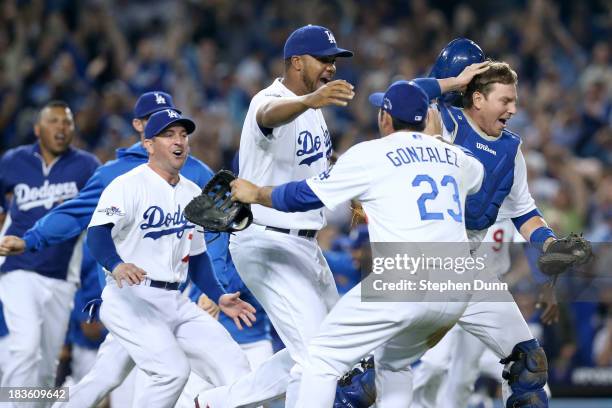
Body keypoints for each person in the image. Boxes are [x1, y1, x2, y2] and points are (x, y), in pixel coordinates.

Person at [230, 80, 486, 407]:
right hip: (457, 287)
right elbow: (478, 177)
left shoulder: (371, 153)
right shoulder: (454, 156)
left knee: (321, 358)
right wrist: (437, 141)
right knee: (394, 363)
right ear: (425, 121)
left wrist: (258, 194)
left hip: (406, 279)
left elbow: (305, 195)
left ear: (385, 118)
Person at [0, 91, 215, 408]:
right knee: (164, 376)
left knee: (105, 378)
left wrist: (216, 288)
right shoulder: (113, 174)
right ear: (139, 126)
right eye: (157, 121)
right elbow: (74, 215)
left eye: (175, 123)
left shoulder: (197, 173)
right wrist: (31, 239)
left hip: (179, 300)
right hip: (129, 298)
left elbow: (217, 236)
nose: (170, 129)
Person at [197, 24, 355, 408]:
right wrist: (309, 101)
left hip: (304, 244)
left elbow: (316, 162)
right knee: (317, 359)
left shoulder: (313, 111)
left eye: (334, 60)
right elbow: (269, 115)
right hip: (268, 239)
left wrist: (352, 191)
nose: (332, 67)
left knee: (335, 349)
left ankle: (214, 403)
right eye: (324, 59)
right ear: (296, 62)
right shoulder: (270, 100)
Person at [88, 108, 256, 407]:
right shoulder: (126, 184)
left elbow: (199, 258)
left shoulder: (192, 192)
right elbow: (97, 234)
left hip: (175, 301)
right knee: (171, 373)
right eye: (168, 135)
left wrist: (219, 296)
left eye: (183, 134)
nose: (179, 140)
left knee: (235, 367)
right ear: (149, 144)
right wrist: (116, 264)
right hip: (130, 297)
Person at [0, 100, 100, 404]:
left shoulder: (86, 166)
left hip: (62, 277)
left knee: (46, 369)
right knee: (26, 346)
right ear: (37, 128)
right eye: (54, 121)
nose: (61, 127)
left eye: (67, 122)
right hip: (18, 268)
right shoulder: (13, 161)